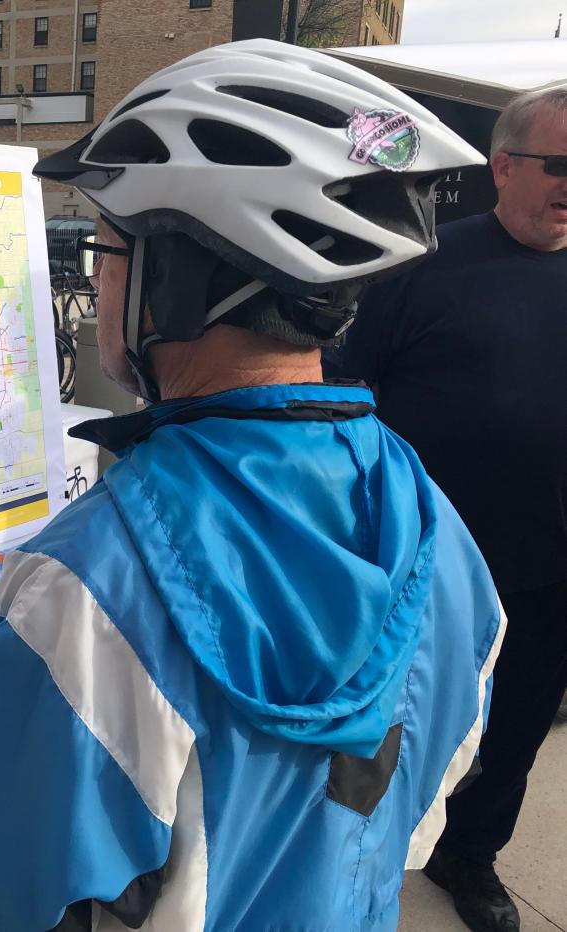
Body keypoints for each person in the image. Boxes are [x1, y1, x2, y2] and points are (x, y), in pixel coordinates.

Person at [0, 41, 501, 930]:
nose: (96, 277)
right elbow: (417, 795)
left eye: (109, 251)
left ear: (180, 278)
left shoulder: (96, 584)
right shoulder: (436, 522)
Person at [327, 86, 567, 932]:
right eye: (559, 164)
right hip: (431, 566)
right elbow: (347, 398)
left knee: (517, 730)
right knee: (399, 723)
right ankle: (357, 857)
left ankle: (471, 854)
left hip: (553, 570)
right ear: (503, 167)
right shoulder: (420, 266)